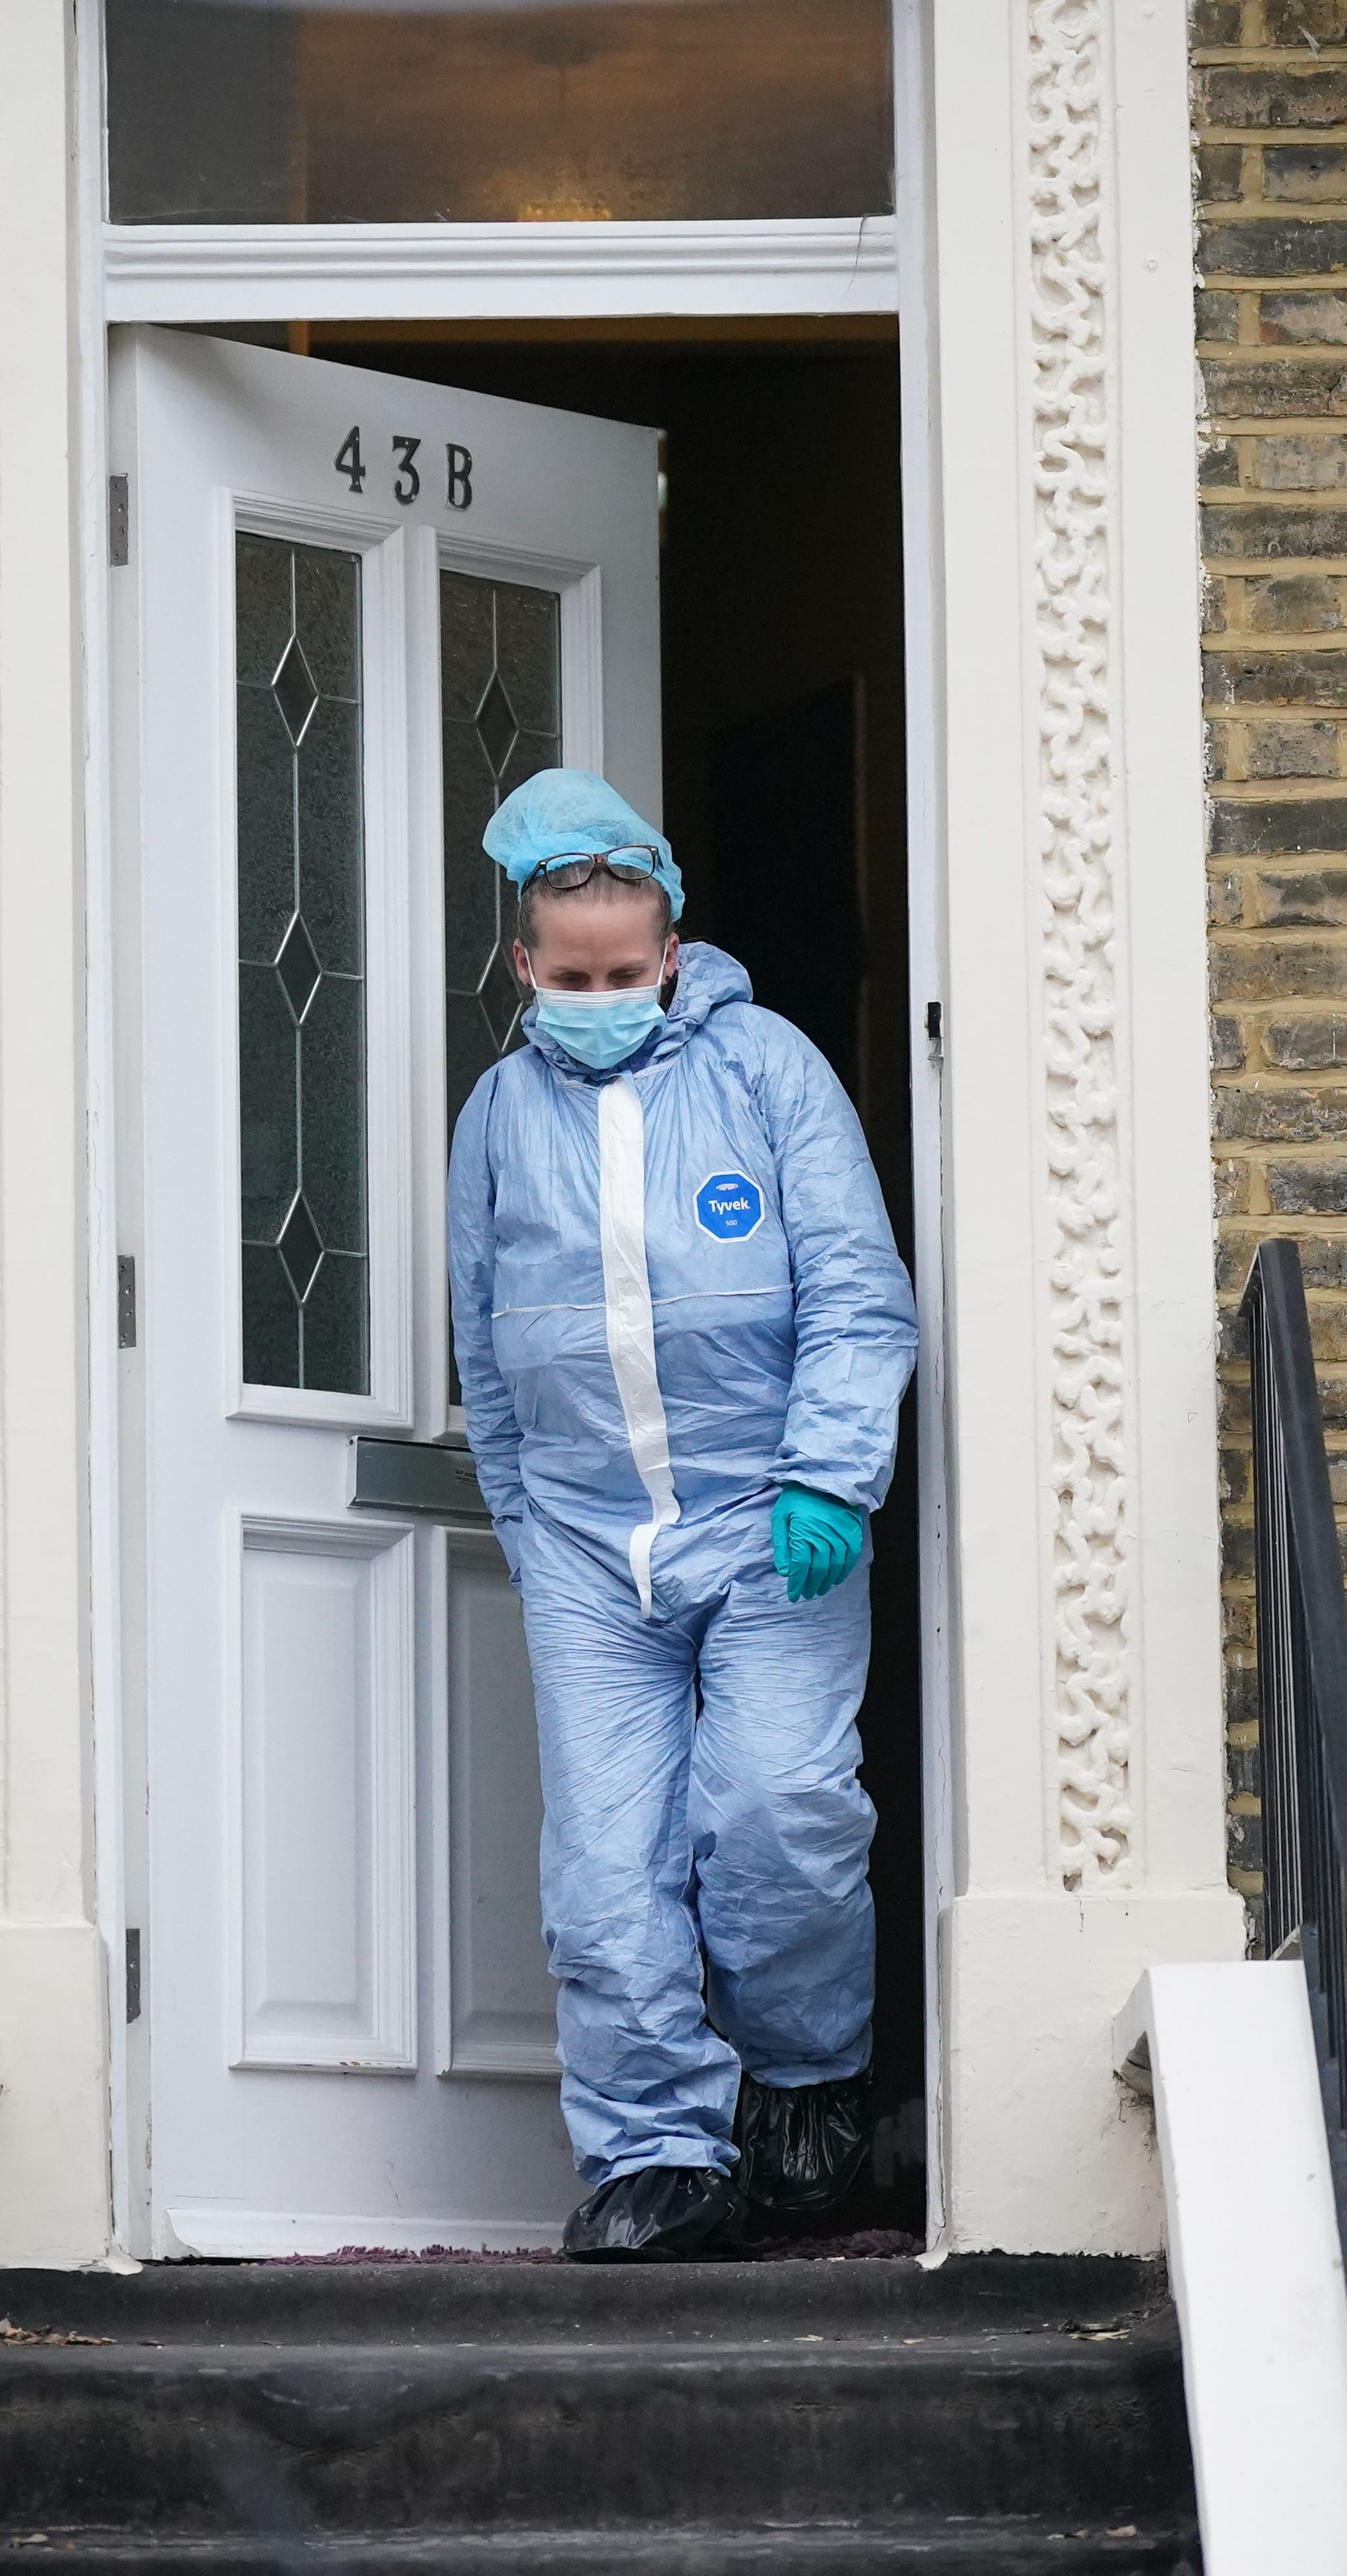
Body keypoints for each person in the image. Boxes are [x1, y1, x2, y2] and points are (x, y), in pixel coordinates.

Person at [446, 767, 918, 2262]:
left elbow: (855, 1287)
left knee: (778, 1812)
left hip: (768, 1514)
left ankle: (803, 2093)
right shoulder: (500, 1116)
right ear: (525, 965)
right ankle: (656, 2155)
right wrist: (529, 1527)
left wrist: (832, 1478)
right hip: (591, 1549)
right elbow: (485, 1345)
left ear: (673, 944)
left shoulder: (770, 1069)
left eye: (625, 970)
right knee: (604, 1868)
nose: (599, 995)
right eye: (569, 975)